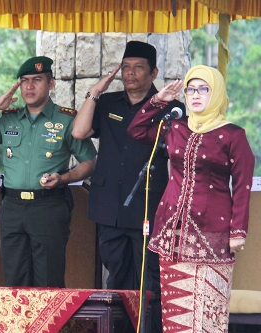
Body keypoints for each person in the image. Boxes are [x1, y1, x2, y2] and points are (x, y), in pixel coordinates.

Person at [128, 65, 255, 332]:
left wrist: (238, 230)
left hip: (213, 232)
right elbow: (137, 131)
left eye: (203, 89)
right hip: (172, 231)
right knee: (177, 310)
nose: (195, 95)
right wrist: (157, 101)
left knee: (208, 309)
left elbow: (242, 185)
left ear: (217, 92)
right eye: (191, 90)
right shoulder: (176, 127)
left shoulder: (233, 135)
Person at [72, 41, 185, 332]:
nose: (130, 73)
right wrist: (94, 92)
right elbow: (80, 131)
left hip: (149, 206)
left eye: (138, 67)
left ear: (154, 72)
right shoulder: (107, 102)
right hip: (110, 206)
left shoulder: (171, 108)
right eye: (126, 67)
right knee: (116, 282)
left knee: (149, 282)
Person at [0, 56, 96, 287]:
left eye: (37, 80)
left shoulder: (66, 120)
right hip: (12, 208)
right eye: (24, 81)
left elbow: (89, 162)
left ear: (51, 83)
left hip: (48, 206)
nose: (30, 86)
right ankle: (20, 326)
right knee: (15, 282)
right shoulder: (9, 119)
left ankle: (48, 325)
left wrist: (64, 178)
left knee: (47, 282)